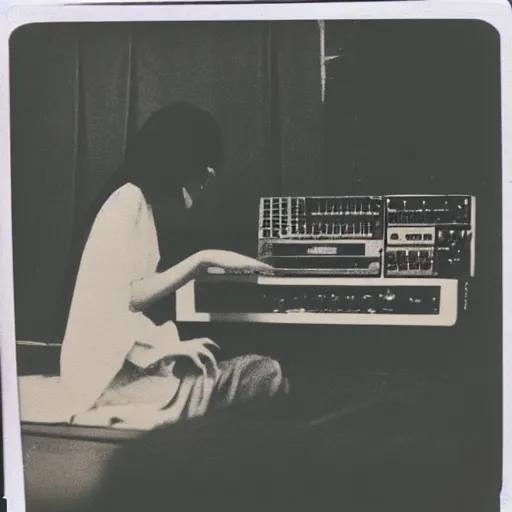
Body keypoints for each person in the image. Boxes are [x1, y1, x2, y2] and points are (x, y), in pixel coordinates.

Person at [58, 102, 288, 430]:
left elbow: (126, 298)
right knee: (263, 373)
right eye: (205, 161)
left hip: (116, 373)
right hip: (106, 383)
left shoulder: (135, 201)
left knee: (260, 372)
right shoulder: (127, 200)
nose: (211, 174)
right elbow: (127, 299)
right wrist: (201, 260)